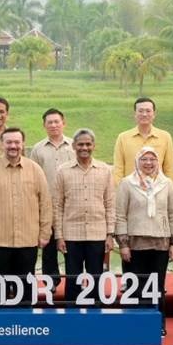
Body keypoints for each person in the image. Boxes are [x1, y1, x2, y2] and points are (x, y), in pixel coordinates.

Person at [0, 128, 52, 303]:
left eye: (17, 142)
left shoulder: (34, 169)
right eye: (9, 142)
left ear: (23, 144)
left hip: (27, 241)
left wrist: (45, 233)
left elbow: (45, 203)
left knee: (24, 292)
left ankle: (24, 327)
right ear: (2, 144)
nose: (13, 146)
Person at [115, 147, 173, 336]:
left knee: (157, 286)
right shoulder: (127, 183)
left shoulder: (166, 183)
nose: (149, 163)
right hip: (135, 244)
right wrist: (123, 244)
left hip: (160, 243)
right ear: (138, 161)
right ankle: (134, 323)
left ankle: (157, 323)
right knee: (134, 285)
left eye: (153, 159)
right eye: (144, 159)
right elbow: (120, 215)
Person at [55, 128, 115, 303]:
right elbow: (57, 206)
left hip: (97, 233)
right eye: (80, 144)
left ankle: (95, 317)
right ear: (73, 146)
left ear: (94, 146)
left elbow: (110, 204)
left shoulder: (104, 170)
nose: (84, 147)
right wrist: (59, 236)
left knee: (96, 278)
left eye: (88, 144)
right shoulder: (63, 171)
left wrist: (110, 235)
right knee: (73, 279)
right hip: (71, 234)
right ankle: (72, 317)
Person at [30, 108, 75, 283]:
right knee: (47, 247)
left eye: (57, 122)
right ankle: (51, 282)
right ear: (44, 125)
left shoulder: (74, 146)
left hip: (70, 205)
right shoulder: (37, 149)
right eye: (50, 122)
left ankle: (74, 283)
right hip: (46, 204)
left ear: (64, 123)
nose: (54, 125)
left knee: (70, 246)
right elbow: (32, 176)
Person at [112, 97, 173, 184]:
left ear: (154, 114)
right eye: (141, 111)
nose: (144, 114)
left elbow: (170, 169)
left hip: (158, 189)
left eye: (148, 111)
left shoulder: (165, 137)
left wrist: (170, 190)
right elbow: (118, 169)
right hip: (131, 190)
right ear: (135, 114)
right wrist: (120, 191)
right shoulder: (123, 138)